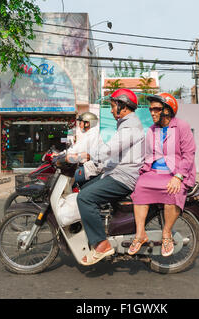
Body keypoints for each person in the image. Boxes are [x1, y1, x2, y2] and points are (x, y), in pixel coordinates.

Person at [75, 88, 145, 265]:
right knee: (84, 189)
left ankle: (101, 244)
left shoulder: (130, 126)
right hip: (117, 172)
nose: (111, 110)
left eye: (113, 106)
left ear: (123, 106)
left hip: (123, 177)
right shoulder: (126, 125)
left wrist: (89, 157)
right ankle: (101, 231)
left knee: (85, 198)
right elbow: (114, 154)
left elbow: (109, 149)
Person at [128, 93, 196, 257]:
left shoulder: (181, 126)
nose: (152, 112)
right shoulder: (152, 129)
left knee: (173, 190)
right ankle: (140, 234)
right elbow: (147, 154)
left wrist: (178, 176)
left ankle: (167, 233)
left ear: (168, 110)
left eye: (156, 109)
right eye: (151, 109)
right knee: (139, 187)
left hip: (176, 173)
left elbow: (189, 154)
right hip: (154, 173)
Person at [66, 112, 103, 186]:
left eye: (81, 122)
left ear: (87, 124)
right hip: (85, 166)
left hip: (90, 169)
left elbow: (82, 152)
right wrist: (61, 154)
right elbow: (74, 148)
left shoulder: (93, 134)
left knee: (68, 181)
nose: (79, 124)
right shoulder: (87, 134)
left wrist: (69, 157)